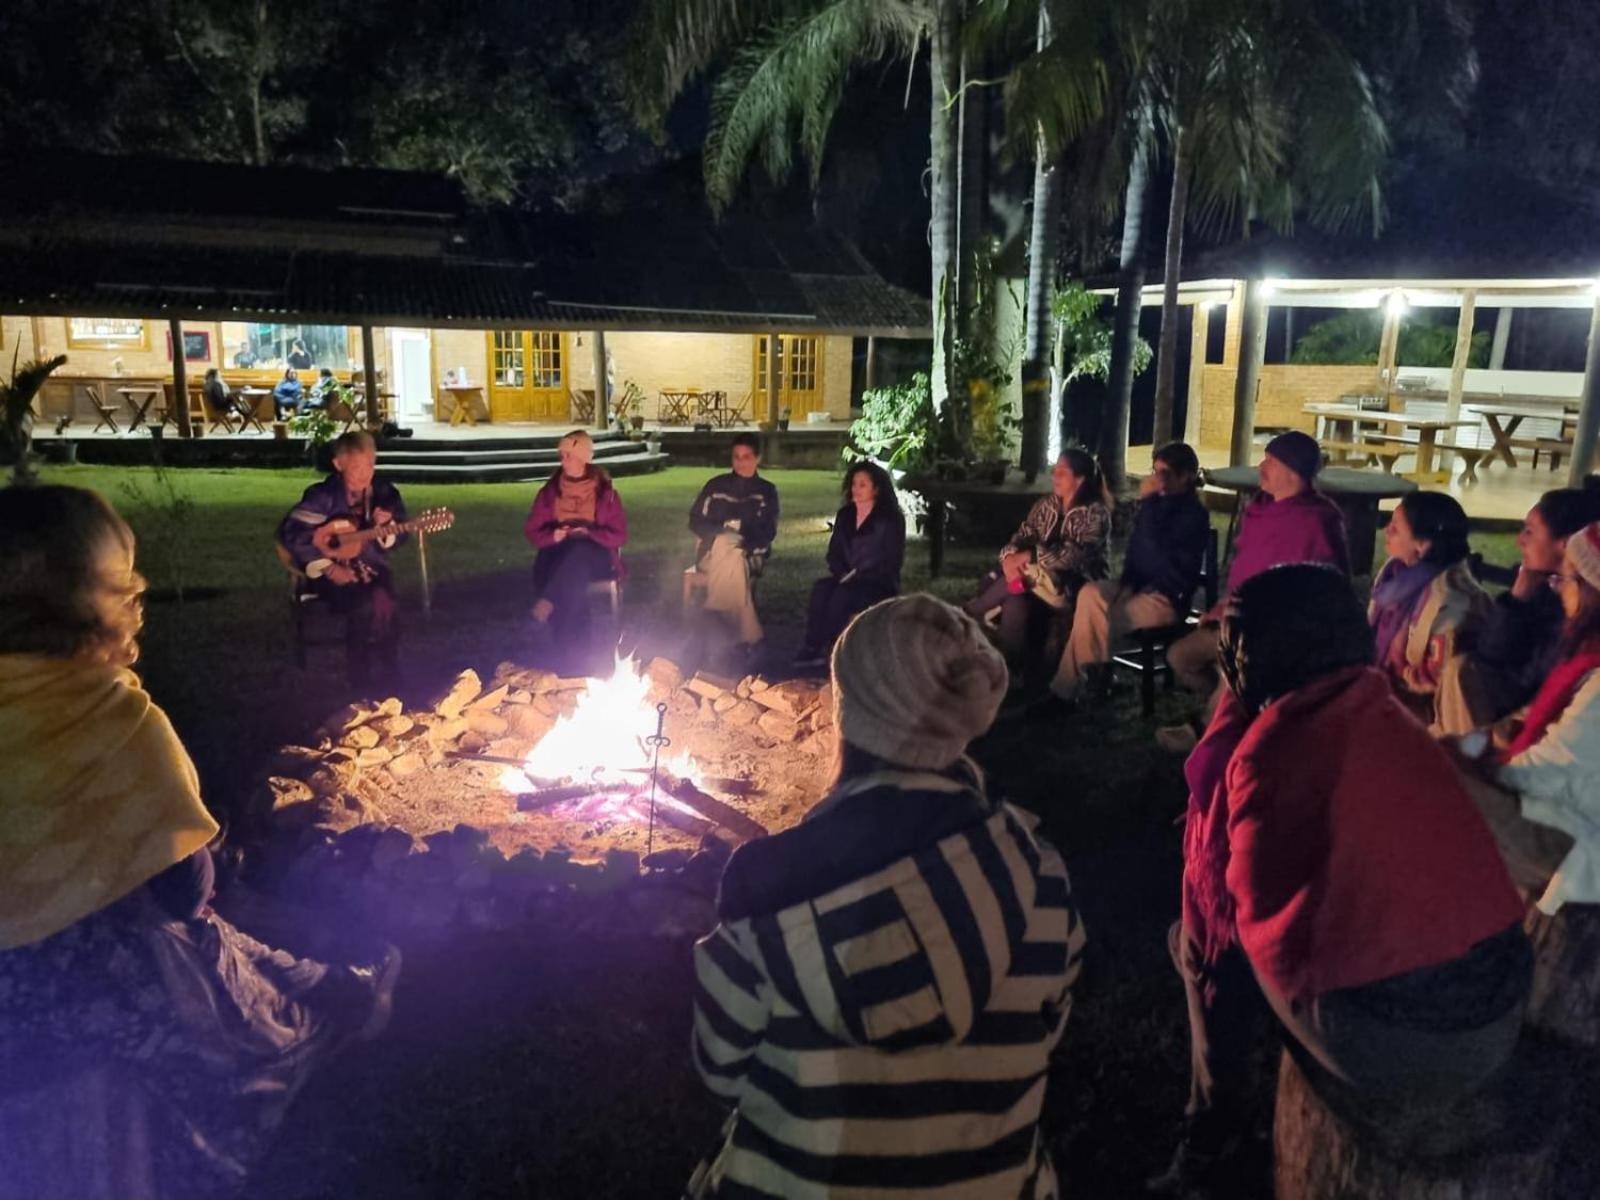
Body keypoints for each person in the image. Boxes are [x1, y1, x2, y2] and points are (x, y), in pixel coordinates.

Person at [0, 485, 400, 1198]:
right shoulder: (108, 717)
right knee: (214, 963)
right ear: (105, 597)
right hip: (98, 979)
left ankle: (339, 982)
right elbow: (186, 886)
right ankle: (335, 1002)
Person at [685, 594, 1086, 1199]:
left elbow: (721, 1069)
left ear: (849, 713)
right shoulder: (1038, 875)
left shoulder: (765, 885)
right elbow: (1045, 1037)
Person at [1152, 564, 1530, 1195]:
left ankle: (1211, 1136)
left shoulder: (1268, 751)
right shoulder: (1383, 709)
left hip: (1412, 1042)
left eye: (1233, 637)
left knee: (1199, 946)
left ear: (1254, 652)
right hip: (1500, 999)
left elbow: (1225, 914)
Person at [1159, 430, 1348, 752]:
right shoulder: (1260, 510)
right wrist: (1221, 609)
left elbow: (1322, 592)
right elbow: (1244, 575)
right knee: (1180, 657)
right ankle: (1232, 716)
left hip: (1280, 634)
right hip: (1235, 620)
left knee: (1240, 670)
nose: (1262, 467)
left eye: (1270, 461)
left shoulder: (1317, 521)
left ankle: (1208, 729)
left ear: (1292, 471)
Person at [1452, 521, 1600, 913]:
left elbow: (1549, 771)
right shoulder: (1585, 652)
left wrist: (1477, 767)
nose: (1557, 588)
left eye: (1563, 579)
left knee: (1443, 789)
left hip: (1579, 833)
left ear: (1589, 591)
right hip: (1568, 802)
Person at [1051, 441, 1210, 700]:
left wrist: (1148, 503)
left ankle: (1068, 691)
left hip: (1164, 597)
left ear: (1186, 477)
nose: (1158, 479)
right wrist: (1126, 586)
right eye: (1155, 471)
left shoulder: (1192, 515)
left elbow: (1158, 557)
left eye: (1166, 473)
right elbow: (1138, 554)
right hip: (1135, 587)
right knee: (1091, 593)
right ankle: (1096, 681)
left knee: (1096, 620)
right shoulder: (1157, 505)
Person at [1435, 484, 1600, 734]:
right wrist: (1517, 599)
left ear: (1566, 544)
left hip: (1541, 722)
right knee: (1463, 670)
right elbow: (1492, 653)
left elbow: (1537, 681)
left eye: (1530, 532)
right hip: (1518, 705)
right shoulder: (1543, 589)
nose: (1519, 540)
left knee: (1465, 675)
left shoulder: (1582, 612)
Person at [964, 447, 1112, 689]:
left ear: (1080, 479)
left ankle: (972, 612)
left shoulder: (1095, 514)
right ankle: (1015, 669)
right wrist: (1010, 556)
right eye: (1055, 471)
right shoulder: (1046, 505)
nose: (1054, 477)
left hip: (1074, 586)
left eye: (1062, 473)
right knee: (1017, 599)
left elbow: (1072, 557)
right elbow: (1023, 535)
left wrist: (1030, 555)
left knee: (1012, 586)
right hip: (1035, 581)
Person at [278, 431, 407, 688]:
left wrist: (388, 526)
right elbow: (292, 534)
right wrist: (328, 567)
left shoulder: (384, 493)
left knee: (386, 603)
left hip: (372, 569)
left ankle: (390, 672)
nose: (365, 473)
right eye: (357, 466)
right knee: (362, 606)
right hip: (329, 574)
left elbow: (401, 536)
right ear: (339, 464)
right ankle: (360, 678)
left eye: (370, 464)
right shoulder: (322, 496)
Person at [1368, 491, 1491, 723]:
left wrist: (1395, 672)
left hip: (1422, 712)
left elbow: (1439, 682)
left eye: (1395, 527)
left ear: (1422, 545)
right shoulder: (1397, 574)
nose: (1387, 530)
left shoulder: (1451, 604)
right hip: (1384, 688)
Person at [525, 430, 629, 667]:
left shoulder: (605, 494)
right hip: (559, 550)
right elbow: (533, 531)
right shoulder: (550, 492)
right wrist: (555, 534)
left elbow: (619, 535)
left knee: (579, 555)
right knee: (570, 572)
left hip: (596, 553)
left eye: (568, 455)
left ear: (584, 458)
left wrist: (589, 532)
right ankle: (574, 656)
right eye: (561, 455)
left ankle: (549, 604)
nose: (563, 461)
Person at [794, 460, 905, 667]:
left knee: (842, 596)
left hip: (876, 581)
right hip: (844, 576)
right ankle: (812, 645)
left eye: (862, 485)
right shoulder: (845, 515)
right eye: (854, 484)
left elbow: (892, 558)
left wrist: (860, 572)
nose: (856, 489)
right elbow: (834, 551)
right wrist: (840, 570)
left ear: (877, 489)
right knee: (821, 589)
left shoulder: (890, 519)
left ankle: (833, 645)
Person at [688, 432, 779, 656]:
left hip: (749, 553)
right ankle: (748, 636)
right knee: (725, 544)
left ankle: (719, 618)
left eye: (746, 457)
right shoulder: (716, 486)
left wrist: (743, 543)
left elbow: (767, 530)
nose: (741, 462)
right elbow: (696, 520)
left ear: (757, 458)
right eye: (736, 457)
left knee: (734, 554)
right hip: (711, 552)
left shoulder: (765, 491)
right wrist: (720, 534)